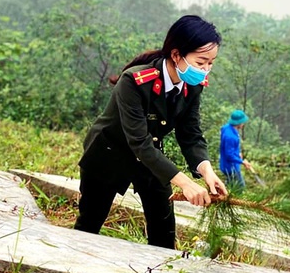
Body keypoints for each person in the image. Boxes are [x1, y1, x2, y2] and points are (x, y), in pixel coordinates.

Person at [74, 15, 228, 249]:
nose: (206, 70)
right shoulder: (135, 81)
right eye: (200, 62)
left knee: (164, 230)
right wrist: (185, 183)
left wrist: (206, 170)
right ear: (176, 55)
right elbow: (139, 142)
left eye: (211, 63)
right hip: (108, 154)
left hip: (149, 159)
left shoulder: (192, 85)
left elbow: (191, 133)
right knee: (89, 225)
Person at [219, 110, 253, 192]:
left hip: (228, 164)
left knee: (230, 184)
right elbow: (229, 155)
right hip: (231, 167)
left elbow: (230, 148)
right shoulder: (230, 136)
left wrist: (238, 153)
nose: (243, 124)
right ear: (239, 123)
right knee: (240, 187)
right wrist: (242, 162)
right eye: (243, 122)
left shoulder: (226, 128)